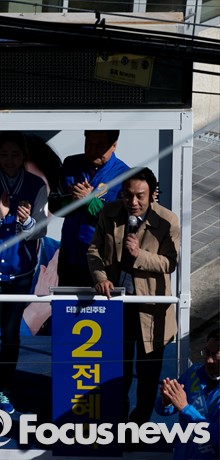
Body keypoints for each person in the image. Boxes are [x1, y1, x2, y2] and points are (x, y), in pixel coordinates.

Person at [87, 167, 180, 426]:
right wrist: (100, 278)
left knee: (148, 373)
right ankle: (118, 419)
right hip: (117, 304)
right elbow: (94, 250)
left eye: (140, 196)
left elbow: (170, 263)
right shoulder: (109, 212)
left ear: (152, 195)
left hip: (151, 307)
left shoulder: (167, 220)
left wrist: (140, 255)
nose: (133, 202)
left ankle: (138, 424)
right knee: (119, 368)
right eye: (128, 195)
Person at [0, 132, 48, 414]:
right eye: (4, 155)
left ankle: (4, 388)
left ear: (24, 156)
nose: (10, 160)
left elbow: (41, 230)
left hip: (20, 272)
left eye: (15, 155)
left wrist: (26, 223)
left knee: (11, 334)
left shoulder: (37, 185)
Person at [50, 130, 129, 287]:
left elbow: (118, 220)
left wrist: (90, 201)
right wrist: (72, 200)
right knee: (67, 301)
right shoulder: (71, 164)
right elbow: (54, 204)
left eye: (100, 146)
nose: (93, 150)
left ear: (114, 145)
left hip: (102, 259)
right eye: (89, 144)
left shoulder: (125, 175)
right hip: (69, 255)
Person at [155, 329, 219, 459]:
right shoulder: (194, 373)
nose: (209, 360)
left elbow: (217, 437)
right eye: (207, 353)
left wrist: (185, 408)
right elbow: (162, 409)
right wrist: (166, 402)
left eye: (216, 356)